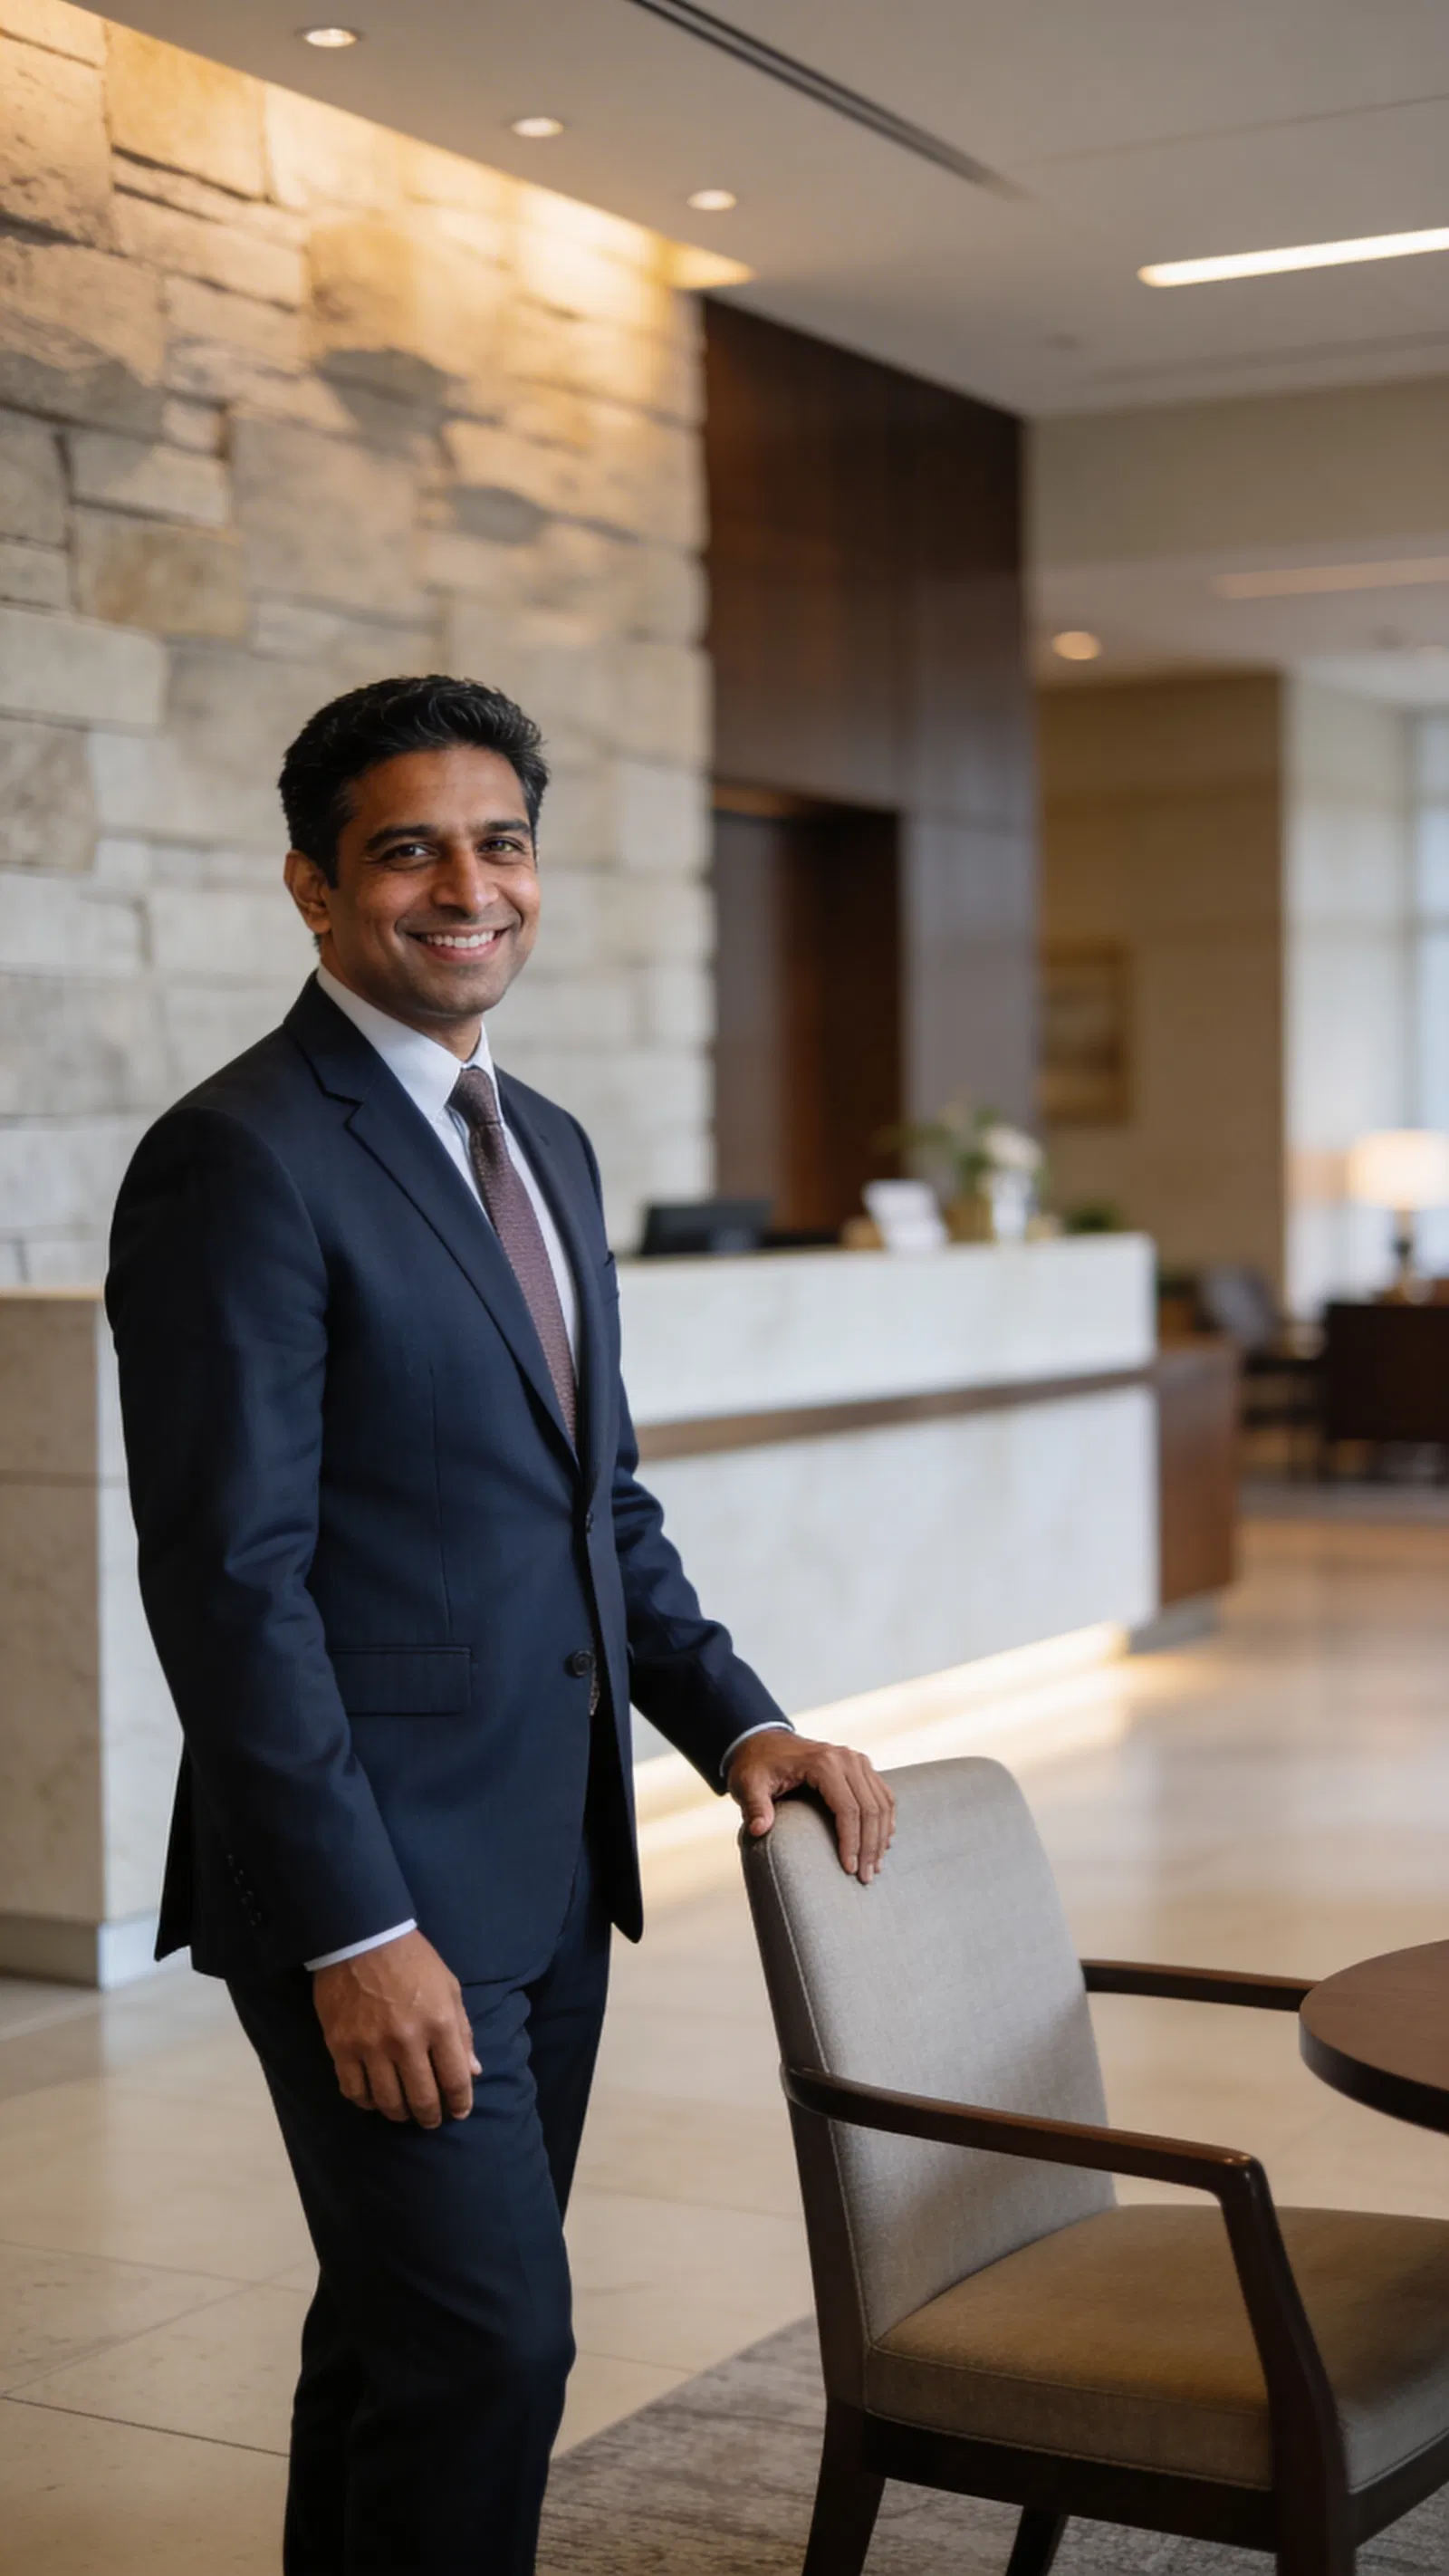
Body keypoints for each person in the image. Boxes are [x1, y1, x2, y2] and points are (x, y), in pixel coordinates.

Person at [106, 674, 896, 2576]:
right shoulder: (242, 1156)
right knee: (491, 2348)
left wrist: (736, 1723)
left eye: (500, 841)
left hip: (546, 1871)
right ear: (311, 886)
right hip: (373, 1894)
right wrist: (356, 1929)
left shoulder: (541, 1140)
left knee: (406, 2344)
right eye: (408, 850)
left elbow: (591, 1507)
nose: (468, 886)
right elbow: (230, 1585)